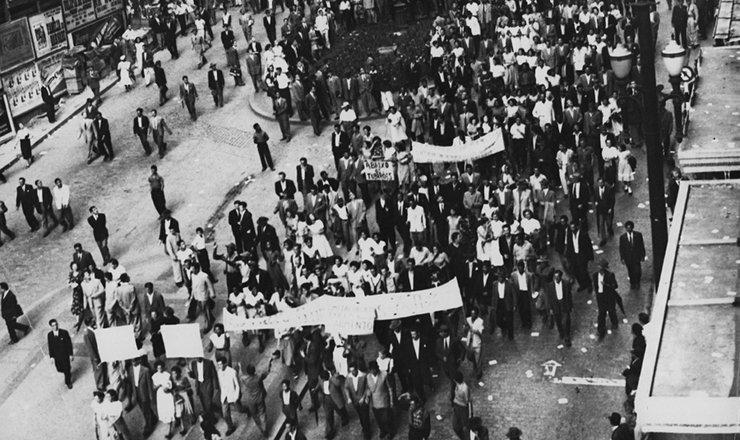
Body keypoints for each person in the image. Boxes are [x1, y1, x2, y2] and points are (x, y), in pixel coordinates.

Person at [239, 356, 274, 435]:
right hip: (260, 399)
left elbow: (240, 375)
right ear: (254, 370)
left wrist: (240, 367)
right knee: (262, 413)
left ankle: (260, 428)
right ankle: (264, 428)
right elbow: (267, 371)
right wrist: (269, 361)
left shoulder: (245, 379)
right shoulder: (259, 377)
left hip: (251, 400)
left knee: (255, 415)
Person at [544, 270, 573, 346]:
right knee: (558, 320)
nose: (556, 278)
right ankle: (561, 333)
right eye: (555, 277)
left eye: (558, 277)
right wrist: (550, 308)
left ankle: (567, 337)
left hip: (564, 304)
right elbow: (549, 298)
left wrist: (570, 306)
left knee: (565, 321)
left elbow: (569, 296)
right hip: (555, 305)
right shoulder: (550, 286)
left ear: (561, 277)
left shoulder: (566, 284)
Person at [593, 259, 619, 340]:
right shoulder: (595, 275)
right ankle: (601, 330)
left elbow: (615, 286)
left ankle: (614, 322)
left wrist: (606, 285)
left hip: (609, 296)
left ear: (604, 268)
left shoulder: (610, 275)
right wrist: (597, 294)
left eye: (601, 267)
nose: (599, 268)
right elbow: (596, 286)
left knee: (611, 310)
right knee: (601, 313)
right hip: (600, 296)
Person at [152, 360, 177, 438]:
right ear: (156, 368)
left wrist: (168, 389)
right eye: (158, 368)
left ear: (163, 367)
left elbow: (171, 385)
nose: (160, 369)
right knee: (164, 411)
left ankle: (169, 431)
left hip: (167, 394)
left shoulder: (167, 375)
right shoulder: (154, 376)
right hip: (160, 395)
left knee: (170, 409)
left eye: (161, 368)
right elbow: (153, 387)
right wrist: (159, 385)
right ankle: (170, 425)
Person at [619, 221, 646, 290]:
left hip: (636, 257)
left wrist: (642, 255)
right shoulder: (622, 237)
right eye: (627, 228)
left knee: (637, 271)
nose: (629, 229)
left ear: (632, 228)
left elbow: (641, 245)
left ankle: (637, 282)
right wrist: (622, 258)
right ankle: (632, 283)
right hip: (628, 258)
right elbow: (621, 248)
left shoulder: (638, 235)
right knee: (630, 271)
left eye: (630, 228)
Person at [47, 319, 74, 389]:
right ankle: (67, 371)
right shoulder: (50, 335)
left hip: (64, 354)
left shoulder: (64, 333)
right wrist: (51, 356)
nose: (55, 326)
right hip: (57, 356)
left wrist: (70, 354)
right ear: (51, 326)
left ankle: (68, 382)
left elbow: (69, 344)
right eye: (53, 325)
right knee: (59, 368)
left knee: (66, 369)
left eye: (56, 324)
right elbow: (50, 346)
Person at [593, 178, 615, 247]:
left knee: (609, 222)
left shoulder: (609, 189)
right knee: (601, 225)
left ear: (604, 183)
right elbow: (594, 197)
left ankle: (609, 228)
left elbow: (612, 199)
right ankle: (603, 239)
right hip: (600, 210)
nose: (600, 184)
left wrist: (611, 208)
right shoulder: (596, 189)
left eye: (602, 182)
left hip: (607, 209)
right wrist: (595, 202)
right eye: (599, 183)